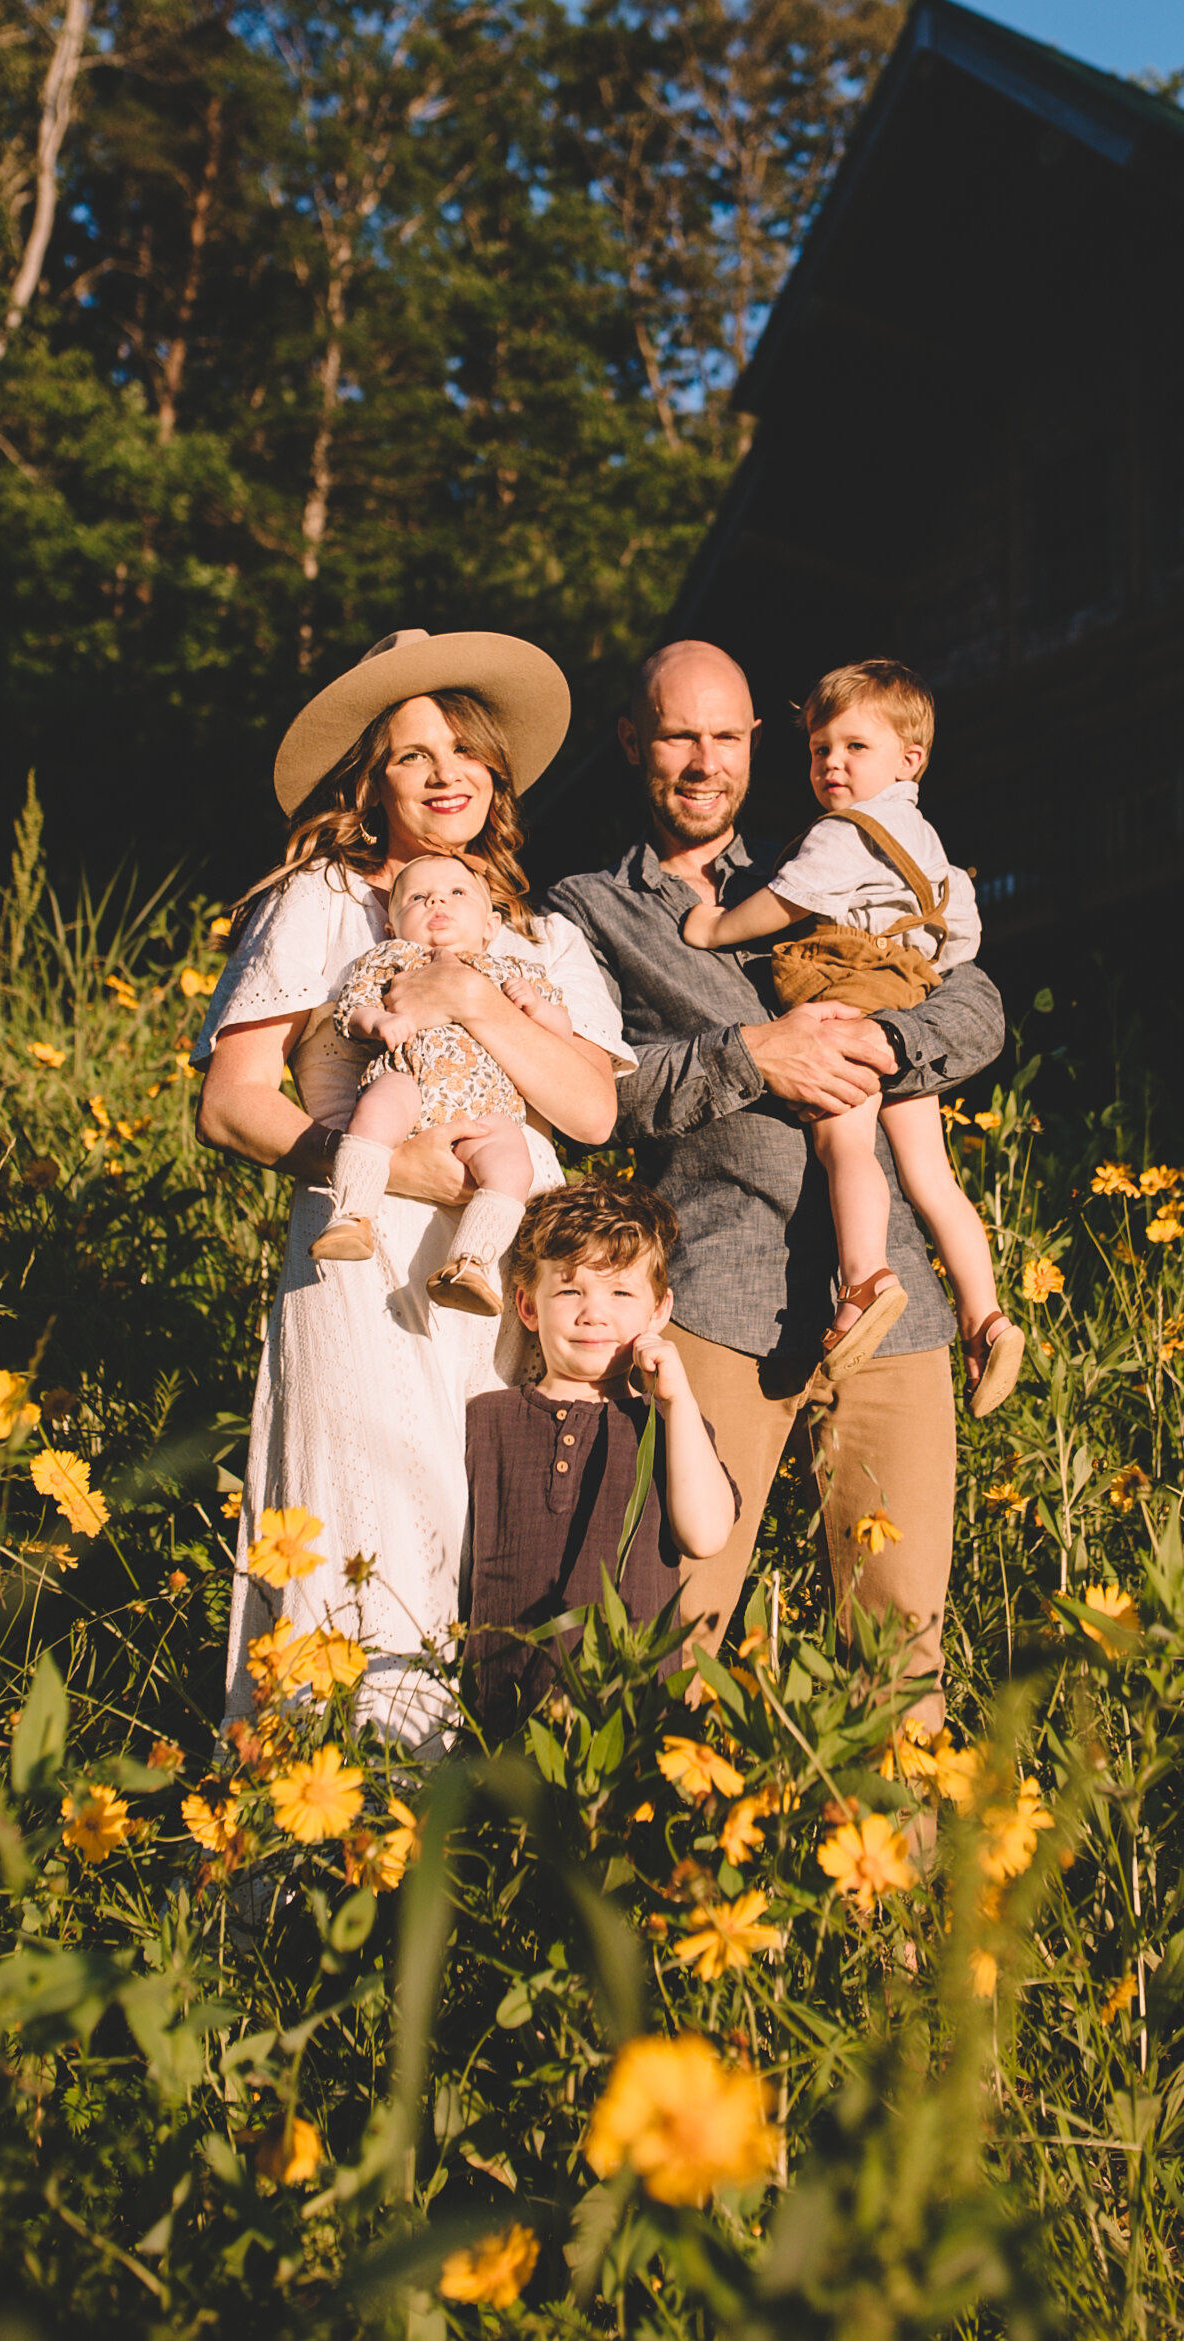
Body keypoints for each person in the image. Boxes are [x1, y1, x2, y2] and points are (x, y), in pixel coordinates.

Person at [545, 639, 1006, 1729]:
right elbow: (596, 1089)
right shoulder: (588, 912)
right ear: (632, 744)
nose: (704, 761)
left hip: (892, 1306)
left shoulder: (838, 846)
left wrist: (874, 1041)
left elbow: (978, 1006)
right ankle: (648, 1884)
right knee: (670, 1627)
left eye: (726, 735)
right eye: (676, 736)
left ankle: (879, 1901)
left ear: (756, 742)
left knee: (900, 1656)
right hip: (717, 1301)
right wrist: (757, 1054)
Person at [194, 627, 631, 1747]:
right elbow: (234, 1099)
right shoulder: (326, 904)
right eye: (413, 755)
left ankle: (477, 1846)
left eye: (466, 751)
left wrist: (476, 997)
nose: (447, 775)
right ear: (369, 783)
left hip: (508, 1259)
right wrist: (384, 1166)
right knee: (363, 1511)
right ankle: (328, 1834)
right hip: (367, 1250)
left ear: (498, 774)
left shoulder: (544, 935)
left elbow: (590, 1113)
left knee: (497, 1525)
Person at [682, 657, 1023, 1413]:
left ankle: (865, 1278)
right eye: (817, 749)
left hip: (849, 991)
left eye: (852, 747)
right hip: (907, 995)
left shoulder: (844, 835)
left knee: (844, 1142)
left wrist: (714, 926)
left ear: (910, 758)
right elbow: (958, 936)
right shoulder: (929, 845)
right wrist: (915, 983)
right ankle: (985, 1314)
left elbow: (784, 899)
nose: (830, 763)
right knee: (931, 1176)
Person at [461, 1178, 738, 1738]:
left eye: (620, 1294)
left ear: (659, 1311)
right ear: (527, 1307)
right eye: (569, 1293)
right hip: (497, 1720)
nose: (593, 1314)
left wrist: (678, 1400)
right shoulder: (485, 1419)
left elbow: (706, 1537)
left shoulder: (667, 1427)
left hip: (628, 1722)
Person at [314, 851, 571, 1316]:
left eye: (456, 892)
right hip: (409, 1075)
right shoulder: (390, 958)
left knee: (513, 1166)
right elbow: (349, 1009)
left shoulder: (517, 972)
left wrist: (537, 1008)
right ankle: (351, 1214)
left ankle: (471, 1262)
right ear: (391, 926)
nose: (437, 900)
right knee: (376, 1110)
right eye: (416, 897)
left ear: (491, 925)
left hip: (487, 1105)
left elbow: (562, 1037)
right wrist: (375, 1021)